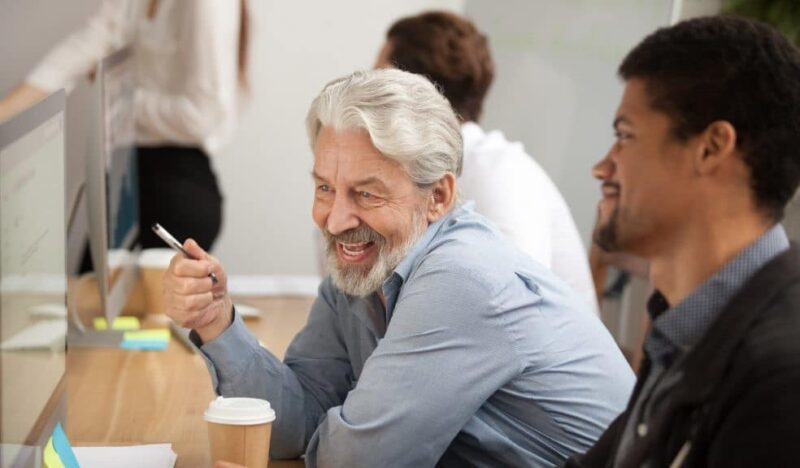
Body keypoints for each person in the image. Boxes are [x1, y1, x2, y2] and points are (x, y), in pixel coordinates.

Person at [164, 69, 634, 467]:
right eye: (326, 188)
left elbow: (355, 460)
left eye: (366, 194)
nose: (336, 219)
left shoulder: (462, 280)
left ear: (439, 197)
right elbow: (291, 423)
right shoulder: (362, 268)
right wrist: (216, 322)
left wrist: (349, 424)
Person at [565, 16, 800, 467]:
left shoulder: (780, 376)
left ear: (711, 148)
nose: (602, 168)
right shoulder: (688, 329)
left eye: (624, 137)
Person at [375, 11, 599, 314]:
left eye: (378, 82)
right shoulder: (438, 173)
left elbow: (514, 314)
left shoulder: (500, 175)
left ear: (404, 88)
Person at [0, 0, 249, 251]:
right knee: (86, 287)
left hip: (178, 187)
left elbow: (203, 118)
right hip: (127, 173)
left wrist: (119, 96)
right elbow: (79, 51)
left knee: (122, 288)